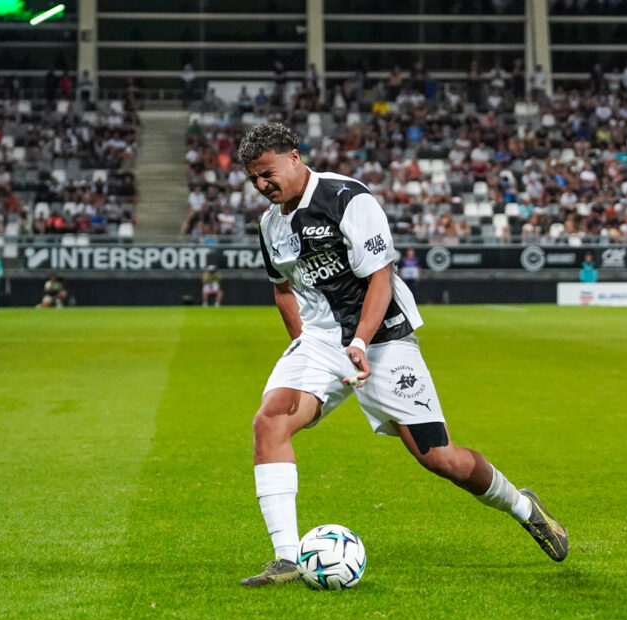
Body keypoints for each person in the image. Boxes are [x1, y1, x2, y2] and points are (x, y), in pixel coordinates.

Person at [237, 123, 568, 586]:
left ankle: (522, 505)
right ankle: (287, 558)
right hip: (320, 342)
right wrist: (304, 346)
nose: (261, 186)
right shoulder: (270, 225)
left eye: (267, 173)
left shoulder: (347, 199)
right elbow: (282, 290)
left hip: (385, 338)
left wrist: (358, 343)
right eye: (253, 179)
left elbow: (381, 277)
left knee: (438, 457)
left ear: (294, 156)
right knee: (269, 420)